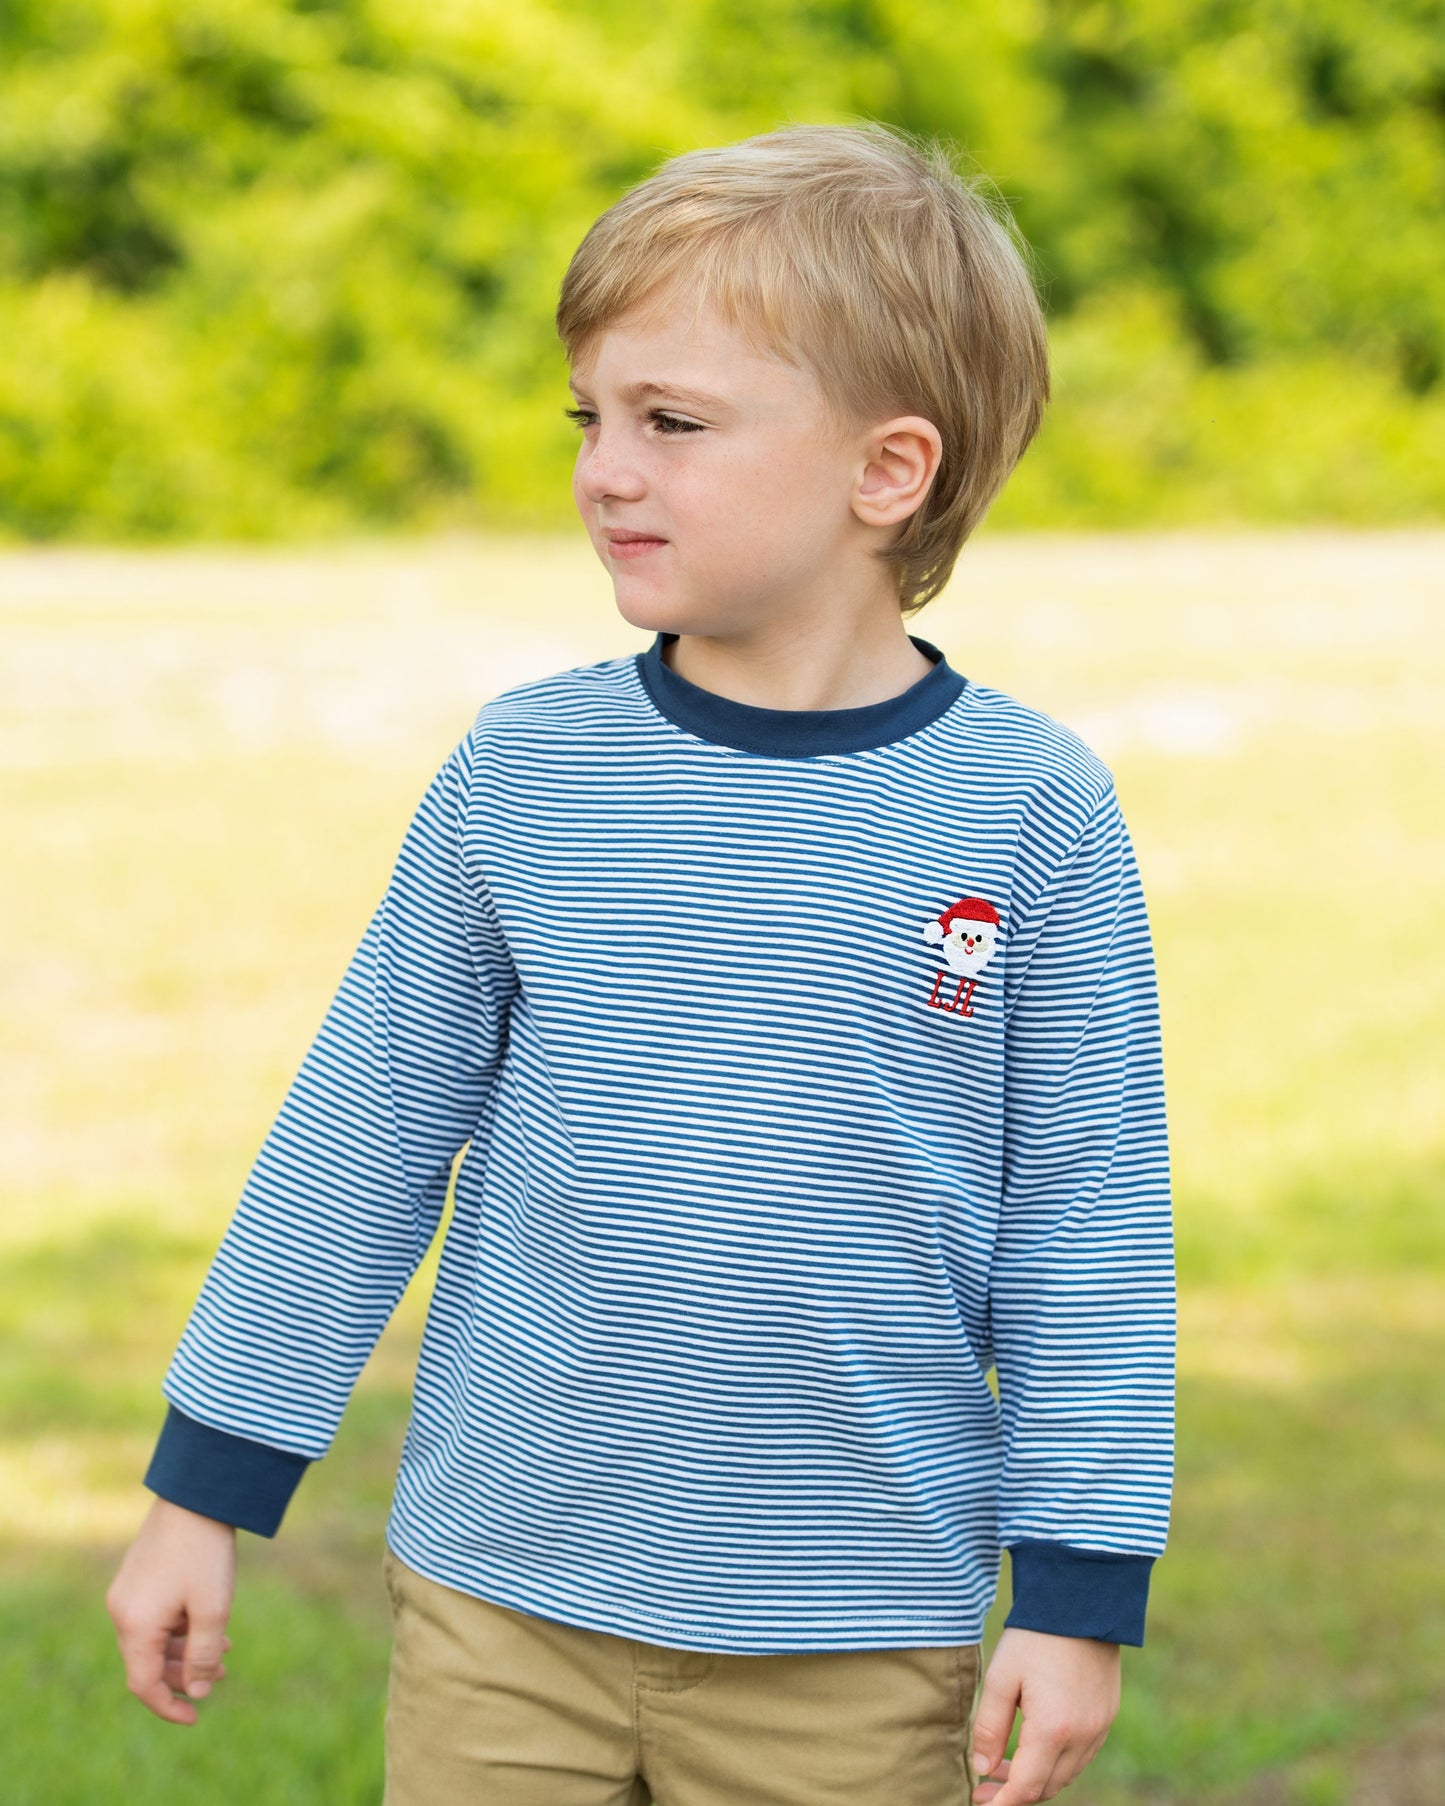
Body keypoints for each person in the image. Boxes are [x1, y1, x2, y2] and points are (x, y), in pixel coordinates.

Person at [106, 120, 1177, 1806]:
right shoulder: (525, 771)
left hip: (853, 1635)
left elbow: (1085, 1216)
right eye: (590, 418)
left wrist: (1078, 1587)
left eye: (672, 424)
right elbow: (358, 1140)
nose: (607, 468)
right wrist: (206, 1486)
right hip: (501, 1611)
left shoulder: (1031, 809)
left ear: (884, 471)